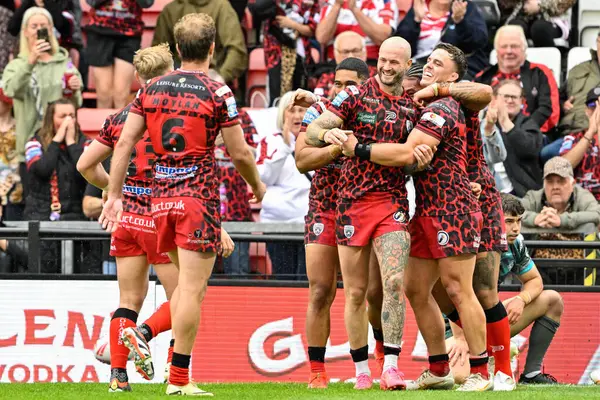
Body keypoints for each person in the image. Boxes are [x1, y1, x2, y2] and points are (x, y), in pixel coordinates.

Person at [100, 13, 265, 396]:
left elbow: (123, 145)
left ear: (177, 49)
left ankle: (148, 348)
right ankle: (174, 375)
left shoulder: (151, 89)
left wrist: (113, 195)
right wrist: (256, 185)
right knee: (191, 291)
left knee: (187, 290)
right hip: (197, 198)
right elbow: (239, 152)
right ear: (213, 48)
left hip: (159, 201)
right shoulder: (217, 91)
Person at [337, 43, 493, 391]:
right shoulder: (424, 104)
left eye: (437, 64)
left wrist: (357, 148)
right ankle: (439, 369)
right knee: (415, 288)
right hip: (427, 209)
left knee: (458, 289)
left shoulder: (445, 105)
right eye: (428, 61)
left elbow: (408, 151)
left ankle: (482, 372)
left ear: (453, 76)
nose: (428, 67)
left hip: (453, 209)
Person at [306, 37, 423, 391]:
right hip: (351, 204)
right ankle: (361, 371)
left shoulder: (412, 106)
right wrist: (331, 133)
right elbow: (313, 132)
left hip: (391, 203)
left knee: (392, 283)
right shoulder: (354, 96)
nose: (387, 67)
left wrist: (419, 160)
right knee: (355, 293)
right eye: (383, 60)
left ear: (406, 65)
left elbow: (413, 155)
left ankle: (391, 366)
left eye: (395, 62)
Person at [76, 44, 180, 392]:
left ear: (137, 77)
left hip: (127, 219)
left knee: (127, 300)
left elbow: (84, 165)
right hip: (162, 216)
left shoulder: (120, 118)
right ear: (170, 73)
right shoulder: (176, 116)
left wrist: (112, 189)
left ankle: (118, 379)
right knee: (184, 296)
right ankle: (173, 372)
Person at [294, 57, 377, 388]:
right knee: (320, 291)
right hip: (324, 207)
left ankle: (381, 365)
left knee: (372, 292)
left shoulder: (374, 112)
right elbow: (302, 159)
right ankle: (317, 371)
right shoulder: (319, 113)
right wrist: (336, 148)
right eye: (337, 83)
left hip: (364, 207)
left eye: (349, 84)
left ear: (364, 85)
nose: (341, 90)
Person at [450, 193, 564, 385]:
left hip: (490, 320)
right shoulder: (472, 240)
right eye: (509, 221)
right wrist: (460, 338)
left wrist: (522, 299)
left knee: (552, 299)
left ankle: (531, 374)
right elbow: (454, 293)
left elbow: (535, 280)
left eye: (519, 221)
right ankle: (498, 352)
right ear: (493, 219)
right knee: (460, 377)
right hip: (459, 325)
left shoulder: (516, 242)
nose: (516, 228)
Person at [0, 98, 87, 273]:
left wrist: (71, 144)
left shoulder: (86, 143)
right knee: (42, 268)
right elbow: (41, 170)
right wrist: (56, 141)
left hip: (75, 218)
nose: (68, 121)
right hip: (40, 217)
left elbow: (85, 172)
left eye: (72, 116)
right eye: (62, 116)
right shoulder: (34, 143)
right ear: (50, 119)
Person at [1, 7, 82, 173]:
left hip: (62, 145)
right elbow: (10, 91)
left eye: (43, 26)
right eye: (34, 26)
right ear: (24, 31)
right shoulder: (16, 66)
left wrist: (74, 91)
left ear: (51, 30)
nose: (39, 30)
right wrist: (30, 62)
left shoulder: (65, 63)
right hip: (30, 147)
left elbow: (77, 103)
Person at [256, 91, 309, 279]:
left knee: (307, 281)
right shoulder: (269, 141)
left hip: (308, 226)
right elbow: (264, 177)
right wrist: (286, 147)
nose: (297, 115)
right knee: (283, 279)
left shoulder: (318, 141)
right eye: (291, 110)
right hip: (277, 226)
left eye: (302, 110)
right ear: (282, 114)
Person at [474, 25, 559, 135]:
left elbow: (549, 111)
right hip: (489, 136)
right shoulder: (482, 77)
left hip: (531, 137)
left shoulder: (540, 73)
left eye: (514, 46)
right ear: (496, 51)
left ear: (524, 49)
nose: (509, 51)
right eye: (504, 46)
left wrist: (519, 133)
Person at [152, 0, 247, 82]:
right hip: (177, 76)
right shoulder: (170, 10)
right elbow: (157, 54)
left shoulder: (222, 7)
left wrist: (221, 76)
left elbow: (237, 51)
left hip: (211, 75)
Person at [395, 0, 489, 79]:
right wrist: (416, 20)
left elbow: (479, 41)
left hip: (453, 71)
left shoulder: (465, 7)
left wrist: (460, 22)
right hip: (419, 68)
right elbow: (401, 44)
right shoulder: (421, 5)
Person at [84, 0, 152, 108]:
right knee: (103, 93)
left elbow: (147, 3)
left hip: (129, 35)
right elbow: (91, 2)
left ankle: (119, 124)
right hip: (100, 32)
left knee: (121, 94)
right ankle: (104, 124)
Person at [482, 79, 544, 197]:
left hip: (521, 194)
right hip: (487, 192)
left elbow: (529, 150)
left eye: (514, 97)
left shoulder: (528, 123)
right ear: (495, 98)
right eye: (506, 96)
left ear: (521, 100)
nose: (510, 100)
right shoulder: (483, 124)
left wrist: (505, 122)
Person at [262, 0, 320, 106]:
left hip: (300, 54)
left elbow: (313, 29)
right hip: (276, 55)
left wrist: (292, 24)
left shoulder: (312, 3)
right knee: (277, 99)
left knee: (299, 98)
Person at [521, 156, 600, 231]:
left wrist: (563, 220)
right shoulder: (533, 197)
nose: (555, 187)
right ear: (544, 185)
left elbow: (597, 214)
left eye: (561, 181)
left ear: (572, 184)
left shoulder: (583, 196)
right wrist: (534, 218)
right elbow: (513, 211)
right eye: (550, 181)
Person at [315, 0, 398, 65]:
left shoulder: (384, 1)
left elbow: (382, 37)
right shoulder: (332, 2)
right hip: (335, 65)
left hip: (370, 64)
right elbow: (322, 38)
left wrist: (354, 9)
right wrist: (337, 6)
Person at [559, 88, 600, 201]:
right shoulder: (573, 137)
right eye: (593, 107)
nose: (597, 112)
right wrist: (591, 132)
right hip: (579, 200)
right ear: (587, 111)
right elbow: (563, 167)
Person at [558, 32, 600, 137]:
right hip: (576, 132)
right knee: (547, 152)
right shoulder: (578, 70)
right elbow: (558, 97)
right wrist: (563, 105)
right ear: (598, 42)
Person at [312, 31, 376, 99]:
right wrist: (331, 99)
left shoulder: (377, 76)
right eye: (345, 52)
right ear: (336, 54)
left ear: (364, 52)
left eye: (355, 51)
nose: (351, 56)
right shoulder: (327, 77)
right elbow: (317, 104)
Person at [499, 0, 574, 48]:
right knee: (514, 29)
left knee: (539, 28)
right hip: (523, 16)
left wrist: (540, 4)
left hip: (552, 20)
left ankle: (546, 66)